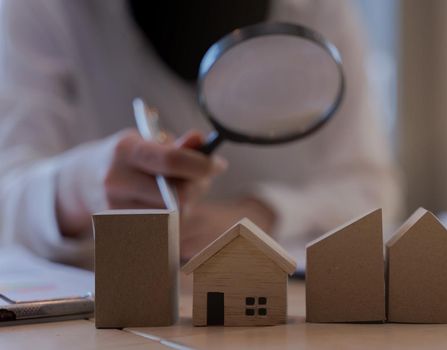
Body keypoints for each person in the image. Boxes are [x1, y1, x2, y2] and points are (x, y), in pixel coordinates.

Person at [0, 0, 401, 267]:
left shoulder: (320, 11)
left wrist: (259, 214)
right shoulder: (43, 9)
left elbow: (370, 190)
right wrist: (81, 187)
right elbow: (8, 193)